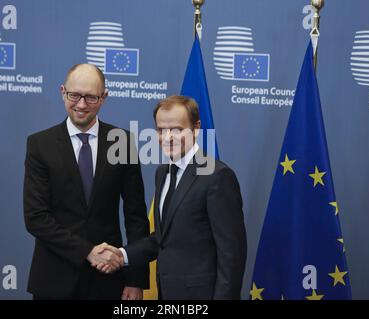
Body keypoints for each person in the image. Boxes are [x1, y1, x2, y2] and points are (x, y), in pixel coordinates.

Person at [98, 95, 247, 299]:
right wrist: (121, 255)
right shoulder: (163, 173)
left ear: (196, 128)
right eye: (161, 130)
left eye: (177, 129)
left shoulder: (217, 176)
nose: (168, 137)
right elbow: (163, 239)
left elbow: (232, 254)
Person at [23, 63, 149, 300]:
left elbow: (136, 217)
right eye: (74, 95)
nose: (81, 105)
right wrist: (88, 252)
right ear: (63, 92)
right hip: (53, 279)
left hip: (109, 280)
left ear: (104, 97)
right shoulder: (40, 144)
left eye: (91, 97)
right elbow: (36, 218)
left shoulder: (121, 141)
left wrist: (135, 280)